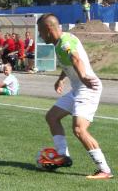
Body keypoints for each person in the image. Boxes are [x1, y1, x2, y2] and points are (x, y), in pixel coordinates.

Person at [37, 13, 113, 179]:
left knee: (79, 129)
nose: (40, 35)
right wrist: (60, 80)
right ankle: (63, 156)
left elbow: (76, 59)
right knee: (52, 117)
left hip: (88, 87)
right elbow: (68, 64)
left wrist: (84, 77)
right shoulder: (60, 43)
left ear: (48, 29)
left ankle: (105, 170)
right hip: (78, 88)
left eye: (40, 31)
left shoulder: (65, 43)